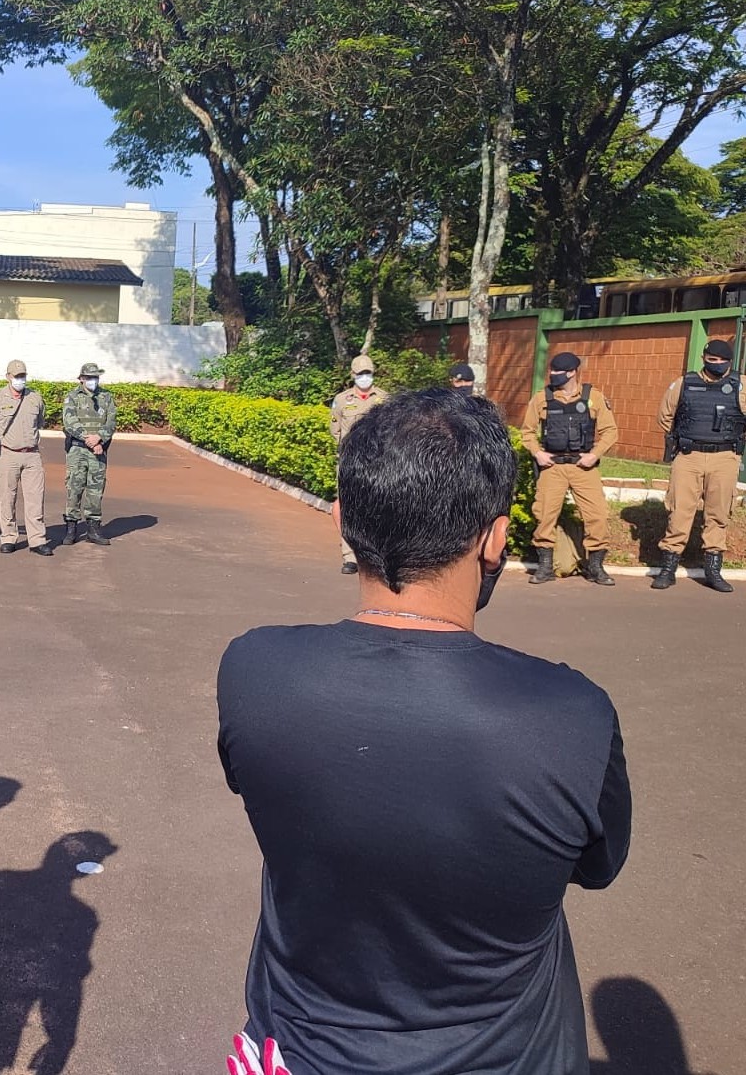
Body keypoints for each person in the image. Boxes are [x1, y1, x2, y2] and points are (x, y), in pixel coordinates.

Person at [218, 388, 631, 1075]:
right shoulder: (571, 714)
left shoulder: (253, 670)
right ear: (496, 538)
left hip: (300, 1050)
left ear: (343, 520)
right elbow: (597, 866)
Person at [652, 339, 746, 593]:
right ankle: (668, 567)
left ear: (729, 361)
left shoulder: (741, 385)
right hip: (689, 455)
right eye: (711, 360)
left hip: (725, 457)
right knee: (679, 511)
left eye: (721, 361)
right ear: (704, 358)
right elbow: (665, 417)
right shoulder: (684, 383)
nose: (715, 364)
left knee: (718, 513)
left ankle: (713, 570)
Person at [522, 351, 619, 587]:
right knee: (545, 515)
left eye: (558, 372)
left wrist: (594, 455)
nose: (553, 375)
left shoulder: (593, 397)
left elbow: (610, 431)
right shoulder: (541, 398)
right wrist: (537, 452)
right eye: (552, 371)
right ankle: (545, 567)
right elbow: (527, 431)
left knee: (597, 515)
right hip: (553, 466)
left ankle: (595, 566)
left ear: (573, 372)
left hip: (582, 467)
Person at [0, 361, 52, 557]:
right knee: (7, 498)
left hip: (32, 455)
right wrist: (1, 441)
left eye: (23, 376)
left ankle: (37, 540)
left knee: (36, 498)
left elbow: (39, 422)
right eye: (16, 376)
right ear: (8, 377)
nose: (20, 379)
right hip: (7, 454)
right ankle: (8, 537)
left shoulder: (35, 398)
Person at [329, 354, 388, 574]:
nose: (365, 377)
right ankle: (350, 556)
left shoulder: (383, 398)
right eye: (361, 374)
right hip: (349, 462)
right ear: (353, 375)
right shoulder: (342, 400)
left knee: (377, 506)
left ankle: (375, 554)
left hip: (377, 461)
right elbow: (335, 429)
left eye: (368, 373)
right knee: (348, 506)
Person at [60, 362, 117, 547]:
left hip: (99, 450)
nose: (93, 380)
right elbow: (69, 422)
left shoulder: (106, 396)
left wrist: (99, 438)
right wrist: (88, 439)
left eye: (96, 377)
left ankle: (93, 528)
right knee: (74, 488)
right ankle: (71, 528)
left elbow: (111, 422)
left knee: (95, 489)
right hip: (77, 449)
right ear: (81, 378)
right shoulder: (72, 397)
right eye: (90, 377)